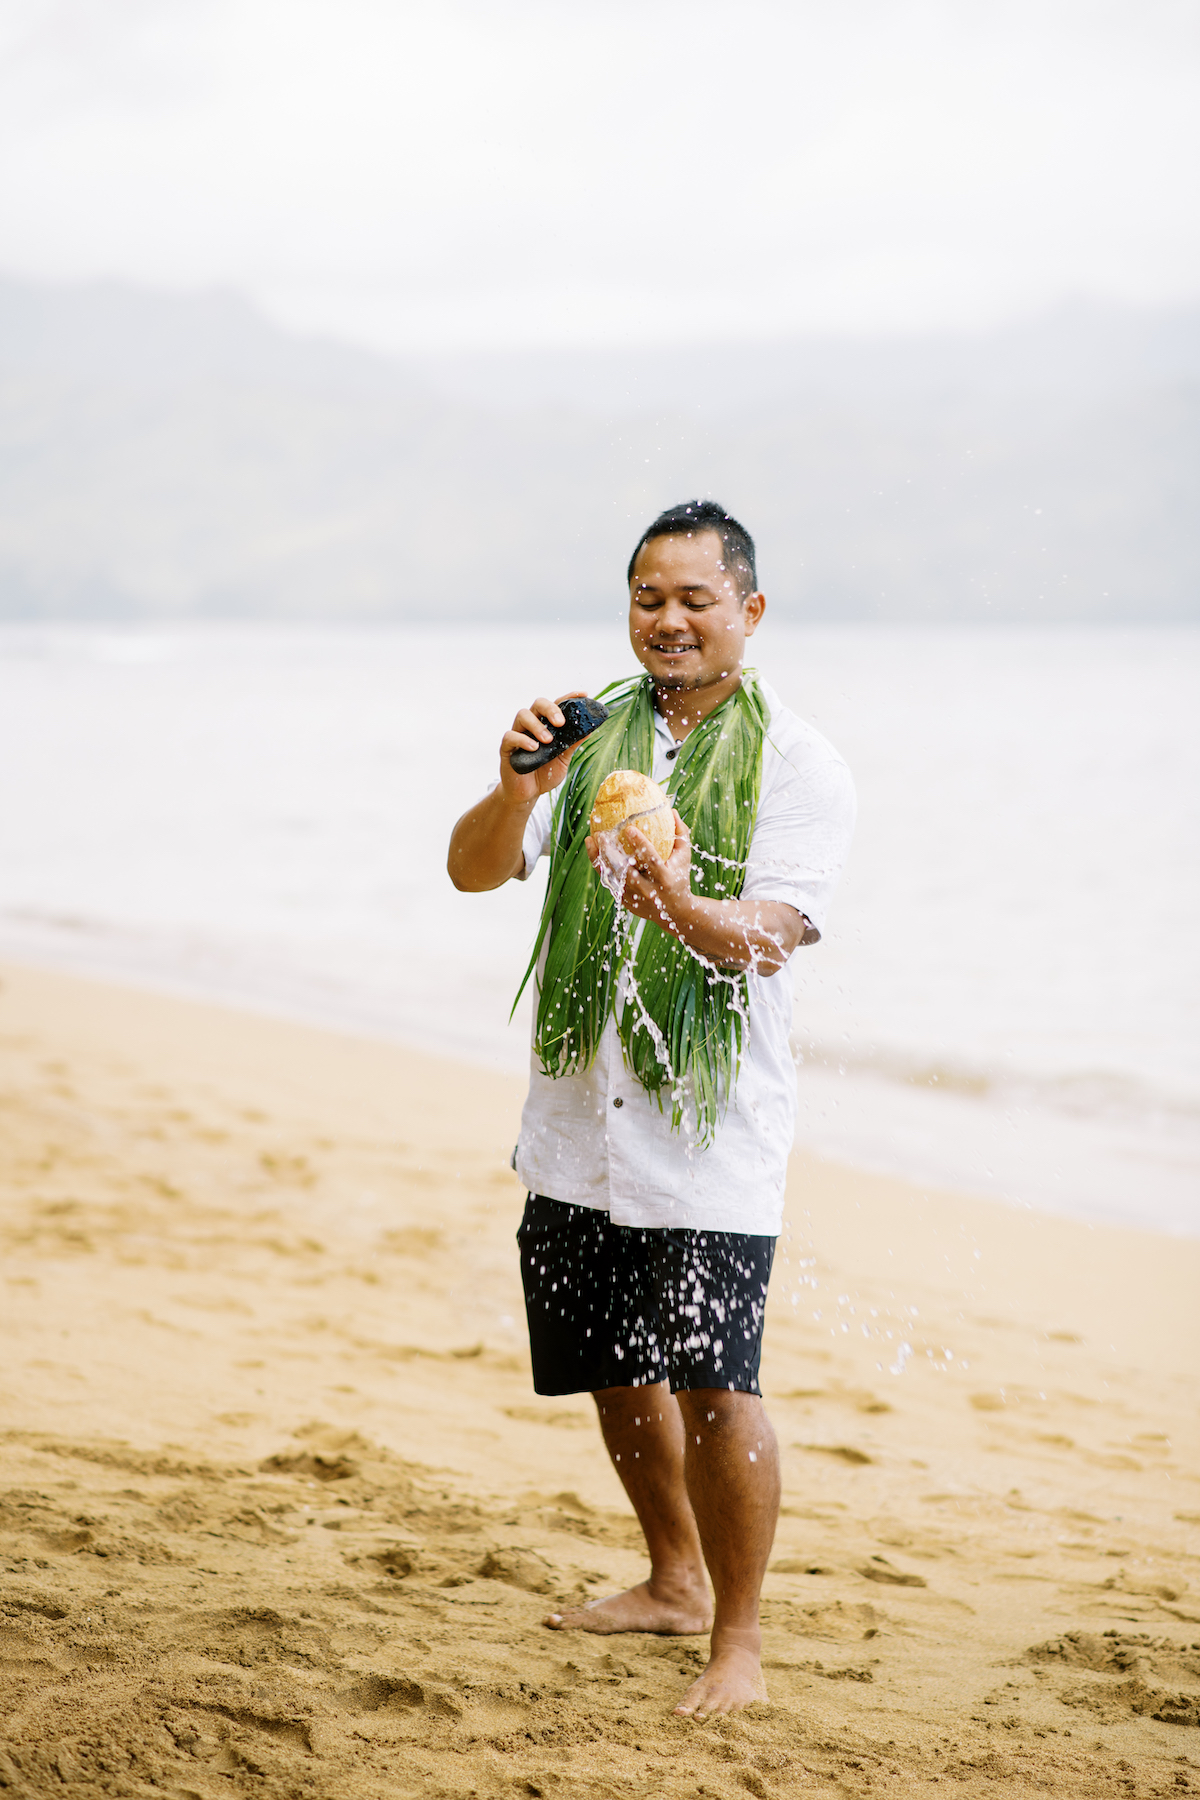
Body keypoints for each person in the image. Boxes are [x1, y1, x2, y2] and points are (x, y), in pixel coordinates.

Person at [447, 500, 855, 1719]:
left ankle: (738, 1639)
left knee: (718, 1384)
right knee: (614, 1366)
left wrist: (674, 902)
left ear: (750, 611)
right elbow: (471, 869)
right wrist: (516, 789)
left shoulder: (799, 761)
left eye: (695, 599)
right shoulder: (586, 735)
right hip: (579, 1117)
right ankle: (672, 1579)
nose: (667, 620)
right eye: (647, 597)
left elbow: (769, 937)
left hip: (709, 1133)